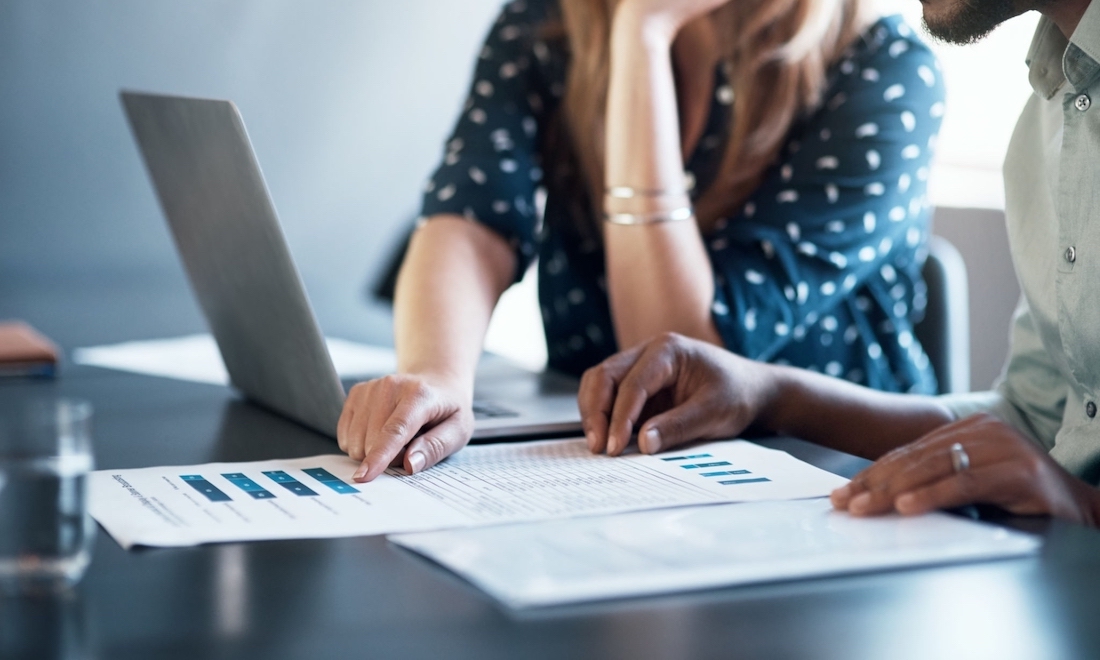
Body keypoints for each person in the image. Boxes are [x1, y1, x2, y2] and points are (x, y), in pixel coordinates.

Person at [339, 0, 945, 481]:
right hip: (608, 466)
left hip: (828, 476)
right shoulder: (547, 24)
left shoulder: (884, 67)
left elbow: (680, 354)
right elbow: (473, 215)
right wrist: (438, 375)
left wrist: (643, 31)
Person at [577, 0, 1100, 526]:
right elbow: (1031, 423)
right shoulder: (1051, 109)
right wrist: (765, 392)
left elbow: (1057, 470)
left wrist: (1082, 503)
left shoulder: (884, 66)